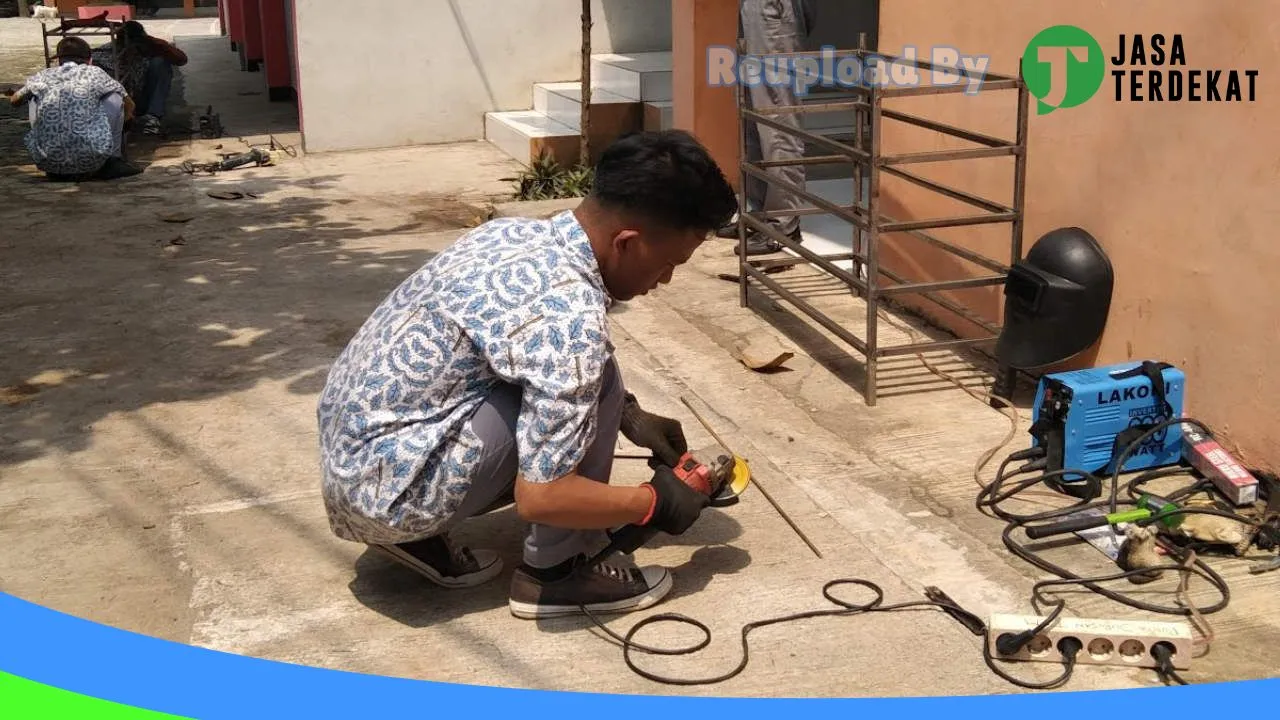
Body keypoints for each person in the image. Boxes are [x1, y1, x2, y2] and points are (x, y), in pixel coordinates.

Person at [316, 130, 739, 619]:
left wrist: (628, 415)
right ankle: (556, 574)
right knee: (591, 377)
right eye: (669, 263)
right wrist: (653, 502)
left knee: (588, 380)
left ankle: (421, 538)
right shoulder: (569, 319)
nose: (664, 279)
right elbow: (543, 496)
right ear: (627, 243)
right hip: (396, 498)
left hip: (355, 475)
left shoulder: (511, 234)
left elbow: (510, 350)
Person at [718, 0, 818, 256]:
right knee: (753, 118)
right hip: (755, 8)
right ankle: (761, 216)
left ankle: (783, 225)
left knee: (778, 121)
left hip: (774, 10)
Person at [7, 37, 141, 182]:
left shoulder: (43, 75)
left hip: (49, 164)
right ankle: (113, 159)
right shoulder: (95, 73)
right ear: (89, 60)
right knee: (114, 96)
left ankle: (51, 151)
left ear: (59, 60)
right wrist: (127, 120)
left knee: (34, 97)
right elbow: (129, 104)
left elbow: (15, 101)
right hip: (92, 161)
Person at [92, 20, 187, 135]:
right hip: (117, 104)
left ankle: (152, 116)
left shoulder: (148, 50)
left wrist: (156, 43)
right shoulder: (103, 54)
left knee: (160, 63)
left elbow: (182, 59)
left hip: (140, 99)